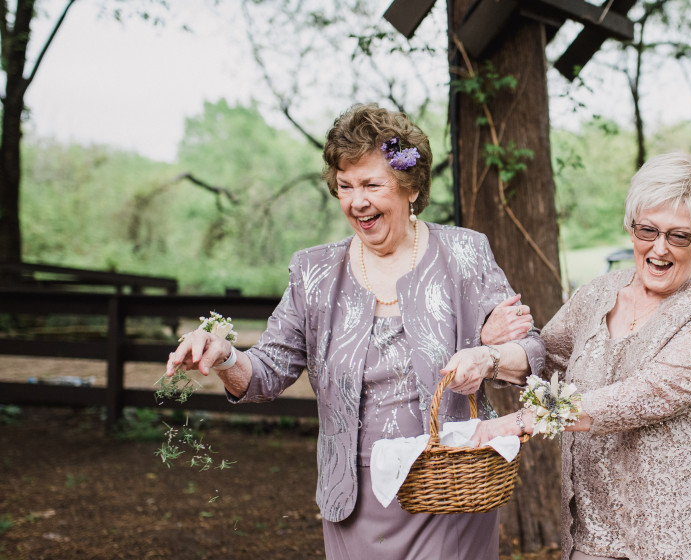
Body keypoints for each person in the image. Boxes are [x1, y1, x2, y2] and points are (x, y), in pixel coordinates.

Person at [165, 103, 546, 560]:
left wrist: (488, 355)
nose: (356, 201)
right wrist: (225, 355)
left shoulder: (464, 253)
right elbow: (265, 374)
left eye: (370, 184)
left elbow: (532, 350)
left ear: (410, 188)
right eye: (345, 186)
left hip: (448, 486)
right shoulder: (315, 272)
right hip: (356, 496)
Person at [473, 152, 691, 559]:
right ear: (630, 225)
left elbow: (648, 394)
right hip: (597, 526)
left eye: (679, 236)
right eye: (647, 230)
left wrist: (528, 419)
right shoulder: (598, 293)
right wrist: (489, 358)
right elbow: (547, 359)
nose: (659, 248)